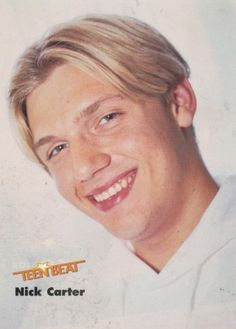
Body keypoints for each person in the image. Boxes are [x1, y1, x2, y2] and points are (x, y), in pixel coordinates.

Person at [9, 15, 236, 328]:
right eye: (58, 149)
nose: (85, 167)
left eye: (106, 119)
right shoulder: (58, 312)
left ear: (179, 103)